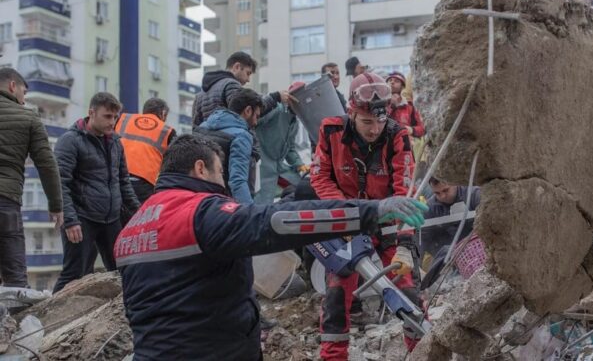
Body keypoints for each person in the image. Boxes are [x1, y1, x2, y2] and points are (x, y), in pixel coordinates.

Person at [116, 134, 427, 360]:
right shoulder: (201, 214)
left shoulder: (130, 231)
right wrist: (372, 211)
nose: (223, 183)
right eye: (219, 172)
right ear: (200, 169)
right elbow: (277, 221)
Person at [311, 72, 423, 360]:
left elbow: (404, 189)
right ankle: (333, 356)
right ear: (351, 113)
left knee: (407, 292)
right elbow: (320, 177)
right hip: (345, 223)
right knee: (336, 295)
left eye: (380, 121)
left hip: (388, 225)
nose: (375, 129)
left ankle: (424, 351)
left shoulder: (397, 135)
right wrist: (349, 214)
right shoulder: (330, 131)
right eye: (366, 122)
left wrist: (405, 243)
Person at [54, 92, 140, 292]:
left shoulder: (115, 142)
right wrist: (70, 220)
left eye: (115, 117)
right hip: (81, 219)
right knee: (74, 275)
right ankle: (47, 319)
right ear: (91, 113)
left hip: (111, 218)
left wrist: (139, 213)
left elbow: (123, 182)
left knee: (122, 270)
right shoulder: (70, 140)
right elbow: (59, 184)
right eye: (108, 116)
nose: (113, 122)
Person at [0, 68, 63, 287]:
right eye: (23, 93)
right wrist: (56, 205)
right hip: (5, 201)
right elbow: (47, 164)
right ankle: (15, 320)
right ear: (12, 86)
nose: (24, 99)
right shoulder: (28, 117)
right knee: (15, 278)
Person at [194, 88, 262, 206]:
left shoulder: (202, 127)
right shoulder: (242, 136)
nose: (256, 122)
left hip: (197, 201)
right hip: (221, 205)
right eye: (257, 116)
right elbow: (237, 181)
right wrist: (250, 213)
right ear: (248, 110)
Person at [192, 51, 294, 128]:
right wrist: (276, 97)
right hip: (228, 147)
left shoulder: (201, 93)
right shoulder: (231, 84)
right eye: (248, 73)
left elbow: (195, 126)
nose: (248, 80)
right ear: (237, 67)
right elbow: (248, 112)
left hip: (208, 149)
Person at [255, 82, 309, 205]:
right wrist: (273, 98)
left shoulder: (294, 121)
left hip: (278, 167)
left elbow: (289, 148)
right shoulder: (277, 109)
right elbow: (255, 119)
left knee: (303, 187)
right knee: (261, 206)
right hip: (262, 165)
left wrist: (299, 164)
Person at [114, 98, 176, 203]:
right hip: (144, 184)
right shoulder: (168, 131)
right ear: (163, 113)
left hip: (116, 177)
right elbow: (173, 164)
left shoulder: (123, 119)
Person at [420, 178, 481, 267]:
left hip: (480, 249)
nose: (442, 196)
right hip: (452, 259)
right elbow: (423, 238)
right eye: (437, 193)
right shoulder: (430, 208)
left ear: (455, 183)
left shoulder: (473, 194)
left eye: (446, 190)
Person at [386, 72, 425, 139]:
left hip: (405, 143)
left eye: (396, 81)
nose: (392, 82)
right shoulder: (381, 104)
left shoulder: (410, 106)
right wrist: (392, 106)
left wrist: (411, 130)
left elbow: (422, 129)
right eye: (390, 80)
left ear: (403, 86)